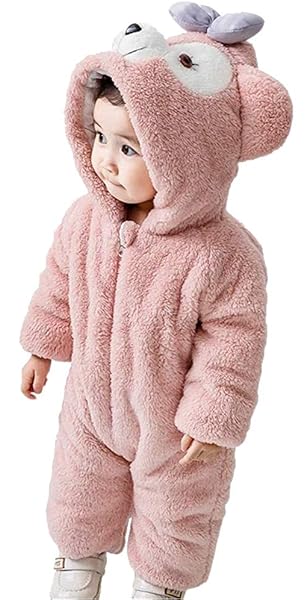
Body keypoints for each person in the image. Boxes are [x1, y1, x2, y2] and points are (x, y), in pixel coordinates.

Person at [19, 4, 292, 598]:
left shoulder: (224, 253)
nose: (105, 159)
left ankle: (158, 586)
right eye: (99, 137)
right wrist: (42, 347)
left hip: (174, 427)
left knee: (175, 517)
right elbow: (60, 281)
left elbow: (235, 340)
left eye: (130, 148)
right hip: (91, 408)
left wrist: (212, 414)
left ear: (186, 153)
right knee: (78, 499)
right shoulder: (86, 219)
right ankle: (76, 568)